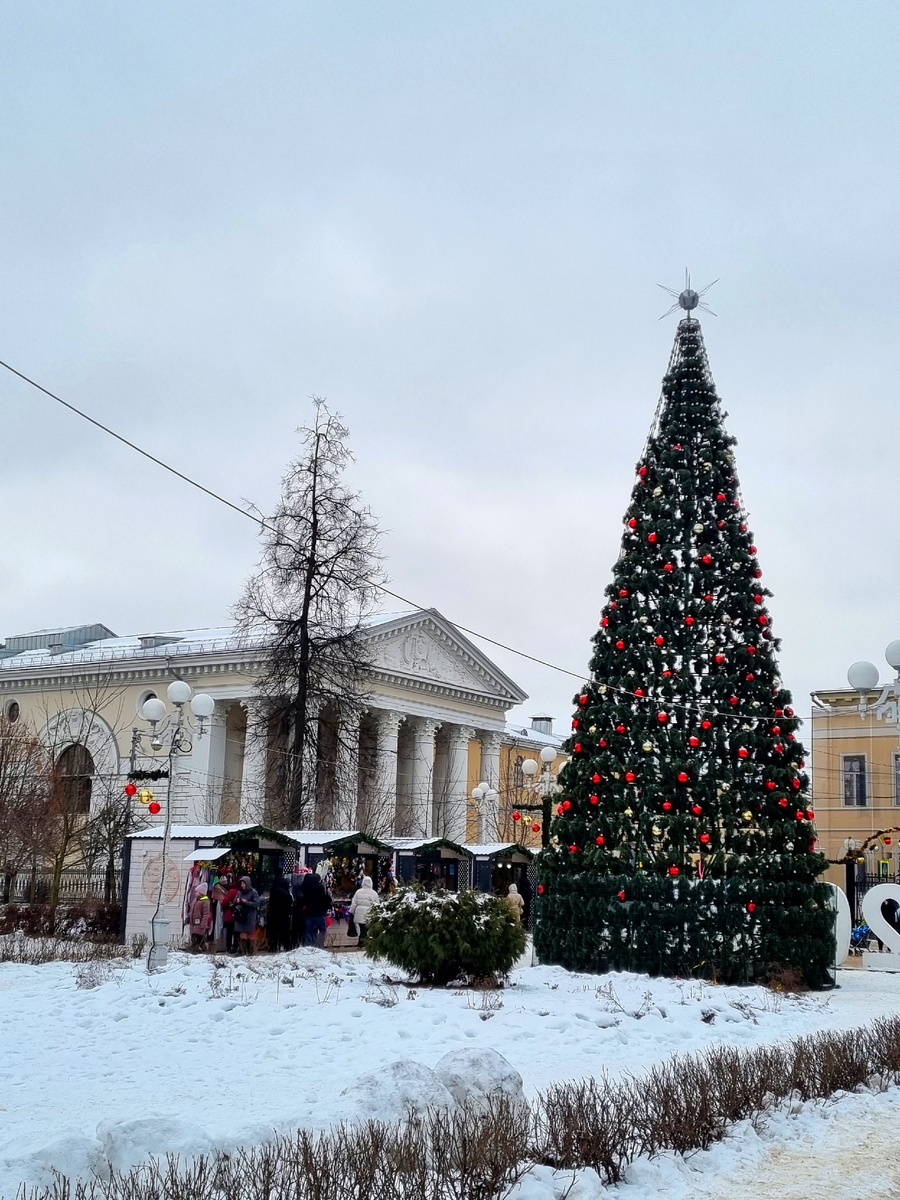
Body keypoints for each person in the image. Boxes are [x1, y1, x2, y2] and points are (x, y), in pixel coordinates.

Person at [301, 870, 332, 948]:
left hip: (308, 913)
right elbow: (322, 900)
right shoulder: (320, 887)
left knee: (308, 930)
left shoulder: (306, 887)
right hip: (319, 913)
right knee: (322, 930)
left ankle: (308, 946)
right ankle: (319, 945)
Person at [232, 875, 261, 954]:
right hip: (241, 916)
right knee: (242, 933)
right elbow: (233, 902)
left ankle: (250, 951)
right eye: (241, 883)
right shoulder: (239, 892)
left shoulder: (253, 892)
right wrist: (236, 901)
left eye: (243, 883)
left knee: (250, 934)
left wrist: (246, 902)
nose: (242, 885)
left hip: (249, 916)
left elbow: (256, 904)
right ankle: (242, 950)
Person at [349, 874, 379, 945]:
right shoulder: (374, 893)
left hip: (359, 913)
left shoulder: (358, 892)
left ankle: (361, 941)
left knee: (362, 927)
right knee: (366, 928)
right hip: (369, 913)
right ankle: (362, 942)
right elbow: (377, 905)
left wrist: (351, 912)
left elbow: (354, 903)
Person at [267, 875, 294, 953]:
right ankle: (287, 947)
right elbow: (289, 900)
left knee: (274, 933)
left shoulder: (273, 891)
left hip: (273, 915)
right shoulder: (284, 892)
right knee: (284, 932)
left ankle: (273, 947)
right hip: (283, 915)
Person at [221, 878, 240, 953]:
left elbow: (224, 902)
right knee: (236, 933)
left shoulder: (232, 891)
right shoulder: (241, 892)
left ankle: (228, 947)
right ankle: (235, 946)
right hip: (238, 916)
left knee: (229, 932)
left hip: (229, 915)